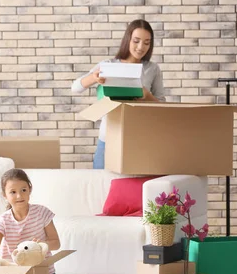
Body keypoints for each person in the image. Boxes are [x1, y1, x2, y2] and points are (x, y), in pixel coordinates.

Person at [71, 19, 166, 169]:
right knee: (101, 185)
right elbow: (76, 87)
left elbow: (162, 107)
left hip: (139, 140)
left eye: (147, 43)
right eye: (136, 41)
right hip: (108, 138)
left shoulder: (152, 69)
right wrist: (94, 78)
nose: (141, 47)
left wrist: (147, 96)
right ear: (128, 39)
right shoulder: (109, 65)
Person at [0, 169, 61, 274]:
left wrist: (43, 245)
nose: (19, 195)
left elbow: (56, 243)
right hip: (16, 272)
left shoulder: (42, 212)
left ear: (29, 189)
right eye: (13, 192)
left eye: (23, 190)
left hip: (43, 272)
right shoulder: (4, 220)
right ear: (5, 195)